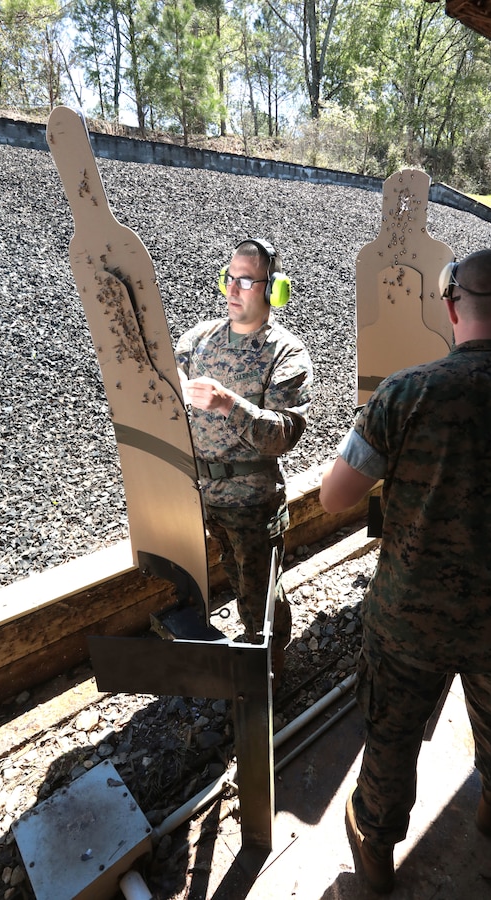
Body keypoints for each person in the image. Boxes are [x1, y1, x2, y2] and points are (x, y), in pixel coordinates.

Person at [319, 249, 491, 894]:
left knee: (392, 735)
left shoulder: (404, 393)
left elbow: (334, 497)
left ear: (449, 306)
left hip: (410, 619)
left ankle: (376, 849)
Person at [175, 238, 313, 683]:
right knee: (231, 581)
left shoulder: (287, 354)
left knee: (261, 601)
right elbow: (160, 378)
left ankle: (270, 677)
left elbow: (282, 435)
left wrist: (225, 403)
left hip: (253, 505)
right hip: (203, 496)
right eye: (229, 278)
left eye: (247, 281)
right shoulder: (198, 339)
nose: (233, 290)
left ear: (273, 290)